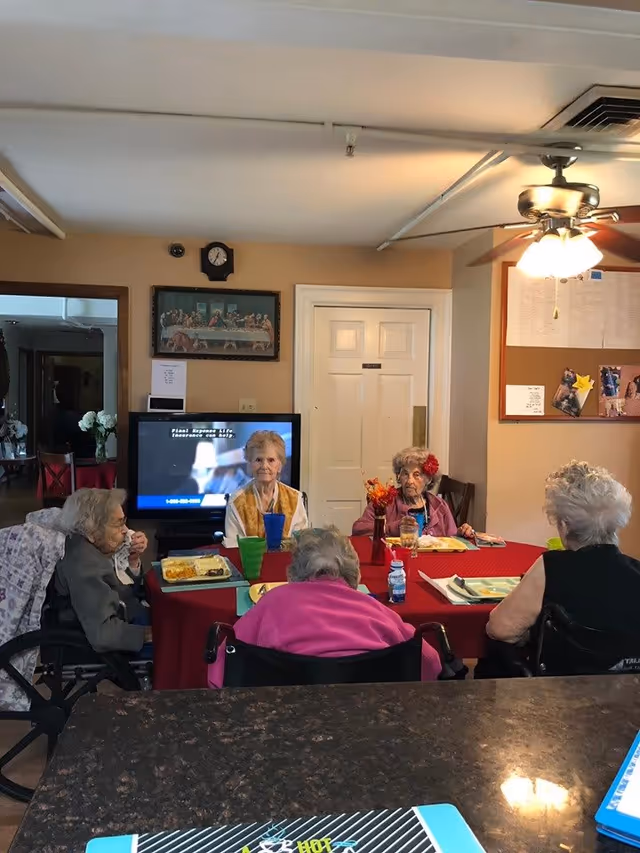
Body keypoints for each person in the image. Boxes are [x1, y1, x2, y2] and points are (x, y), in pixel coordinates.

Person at [208, 527, 441, 688]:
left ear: (293, 572)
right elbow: (430, 664)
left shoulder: (270, 604)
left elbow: (219, 673)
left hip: (282, 729)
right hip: (369, 728)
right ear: (354, 573)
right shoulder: (377, 611)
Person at [486, 460, 640, 646]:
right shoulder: (636, 570)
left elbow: (500, 629)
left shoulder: (552, 566)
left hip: (558, 675)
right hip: (625, 675)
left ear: (565, 526)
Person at [53, 489, 149, 654]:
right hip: (125, 631)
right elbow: (103, 634)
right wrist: (151, 634)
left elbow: (118, 586)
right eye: (118, 523)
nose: (126, 530)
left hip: (131, 611)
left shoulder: (89, 546)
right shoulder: (85, 563)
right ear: (91, 530)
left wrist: (132, 560)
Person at [352, 447, 474, 539]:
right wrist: (391, 528)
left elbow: (451, 538)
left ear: (428, 479)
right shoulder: (385, 501)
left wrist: (461, 533)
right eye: (405, 474)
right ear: (399, 476)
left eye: (417, 475)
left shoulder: (439, 506)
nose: (409, 481)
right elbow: (358, 529)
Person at [224, 430, 308, 547]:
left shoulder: (295, 499)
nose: (264, 466)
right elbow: (234, 548)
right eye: (258, 460)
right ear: (250, 464)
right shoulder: (236, 502)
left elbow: (302, 545)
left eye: (271, 460)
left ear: (280, 465)